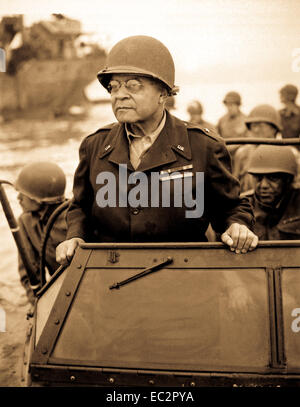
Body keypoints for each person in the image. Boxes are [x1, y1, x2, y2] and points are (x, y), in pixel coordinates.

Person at [56, 35, 258, 266]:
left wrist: (237, 225)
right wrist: (75, 236)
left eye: (133, 86)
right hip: (109, 277)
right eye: (113, 87)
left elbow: (231, 207)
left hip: (185, 276)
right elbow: (80, 206)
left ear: (163, 93)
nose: (119, 95)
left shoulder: (203, 147)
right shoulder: (95, 146)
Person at [16, 162, 68, 304]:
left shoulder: (75, 219)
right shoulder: (25, 222)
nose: (18, 198)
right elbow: (29, 272)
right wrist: (38, 303)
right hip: (57, 291)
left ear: (39, 199)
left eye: (23, 194)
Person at [243, 145, 300, 240]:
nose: (264, 185)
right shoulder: (242, 207)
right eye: (258, 178)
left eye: (273, 178)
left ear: (288, 180)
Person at [232, 104, 282, 192]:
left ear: (274, 128)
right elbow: (234, 185)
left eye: (261, 125)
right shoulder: (242, 153)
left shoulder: (288, 153)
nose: (256, 130)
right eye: (254, 126)